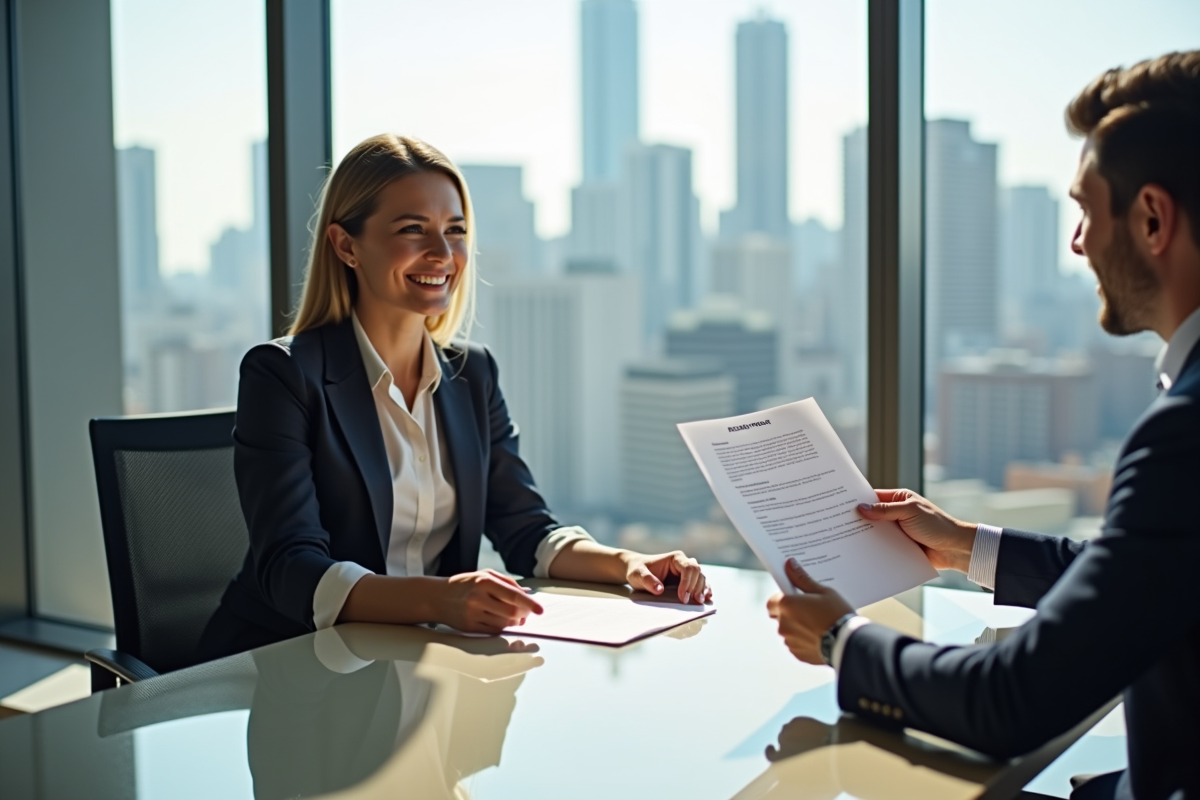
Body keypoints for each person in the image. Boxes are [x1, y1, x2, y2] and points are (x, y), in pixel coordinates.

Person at [767, 51, 1200, 800]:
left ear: (1153, 219)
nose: (1079, 244)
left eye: (1086, 211)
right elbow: (1144, 580)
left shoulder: (1184, 435)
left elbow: (1011, 700)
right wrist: (966, 545)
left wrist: (842, 641)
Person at [198, 134, 711, 662]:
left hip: (416, 663)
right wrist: (441, 599)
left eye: (455, 231)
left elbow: (525, 528)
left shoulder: (473, 375)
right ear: (346, 245)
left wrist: (627, 563)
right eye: (412, 230)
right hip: (291, 670)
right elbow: (292, 569)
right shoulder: (283, 374)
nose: (443, 254)